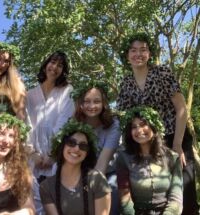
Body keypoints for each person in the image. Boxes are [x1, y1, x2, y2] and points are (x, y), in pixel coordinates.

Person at [116, 32, 199, 214]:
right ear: (127, 55)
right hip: (146, 145)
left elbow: (181, 109)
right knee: (152, 192)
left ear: (150, 54)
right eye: (133, 50)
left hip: (173, 136)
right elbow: (126, 119)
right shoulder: (126, 82)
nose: (138, 54)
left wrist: (177, 145)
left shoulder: (163, 73)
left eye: (143, 50)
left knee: (185, 193)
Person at [116, 106, 183, 214]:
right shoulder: (123, 158)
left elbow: (176, 198)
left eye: (143, 124)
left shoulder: (172, 157)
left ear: (154, 127)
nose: (138, 130)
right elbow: (124, 197)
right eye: (134, 127)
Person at [39, 119, 111, 215]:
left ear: (87, 153)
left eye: (83, 146)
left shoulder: (97, 179)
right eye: (71, 142)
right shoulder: (46, 187)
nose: (77, 149)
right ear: (62, 146)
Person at [72, 79, 120, 214]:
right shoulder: (75, 123)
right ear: (80, 104)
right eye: (87, 101)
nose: (91, 106)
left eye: (97, 101)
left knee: (110, 192)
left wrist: (87, 190)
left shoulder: (114, 125)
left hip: (106, 174)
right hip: (79, 173)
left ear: (104, 103)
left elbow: (102, 164)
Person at [27, 51, 75, 181]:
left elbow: (64, 122)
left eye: (60, 65)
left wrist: (53, 153)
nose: (54, 67)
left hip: (58, 157)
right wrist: (32, 153)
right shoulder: (29, 94)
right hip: (32, 160)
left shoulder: (67, 91)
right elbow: (26, 125)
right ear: (45, 65)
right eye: (52, 62)